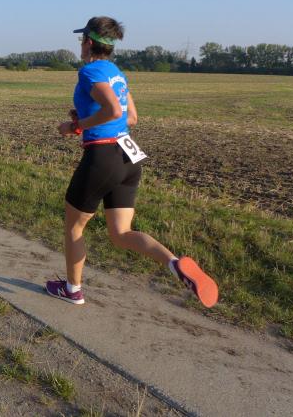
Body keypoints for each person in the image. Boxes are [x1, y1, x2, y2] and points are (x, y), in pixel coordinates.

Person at [46, 16, 218, 308]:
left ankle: (72, 290)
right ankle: (174, 263)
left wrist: (76, 126)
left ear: (88, 42)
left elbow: (113, 111)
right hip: (128, 157)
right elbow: (131, 118)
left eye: (81, 40)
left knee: (74, 227)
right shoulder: (117, 74)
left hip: (102, 157)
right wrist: (86, 115)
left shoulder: (89, 71)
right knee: (122, 233)